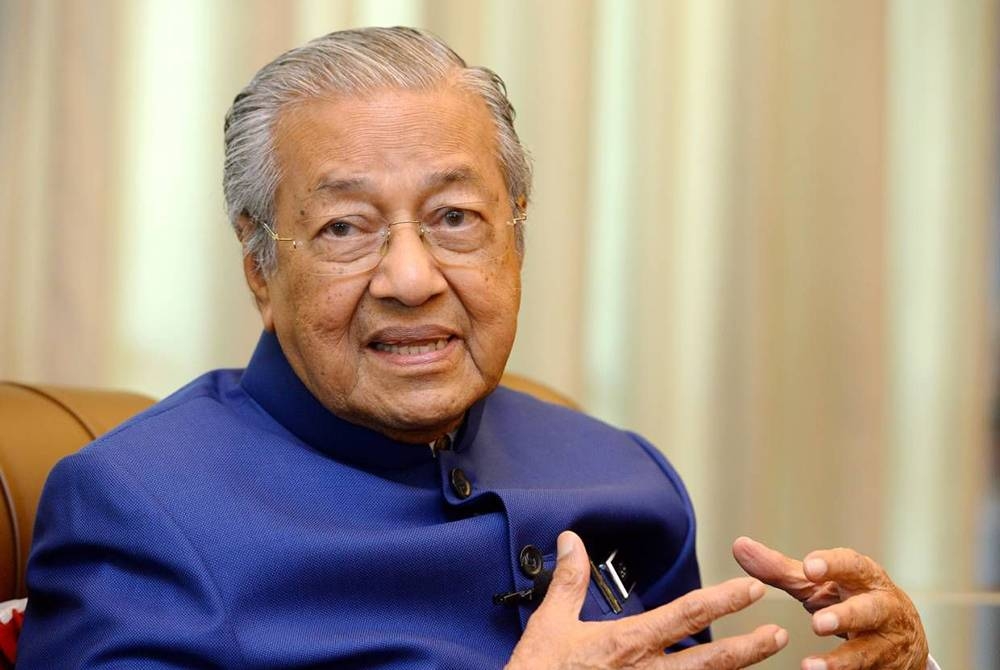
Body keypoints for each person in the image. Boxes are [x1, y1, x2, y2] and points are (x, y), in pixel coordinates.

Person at [17, 27, 932, 669]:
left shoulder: (621, 470)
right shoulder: (136, 508)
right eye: (345, 228)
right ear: (261, 267)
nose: (410, 277)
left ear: (516, 238)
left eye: (455, 218)